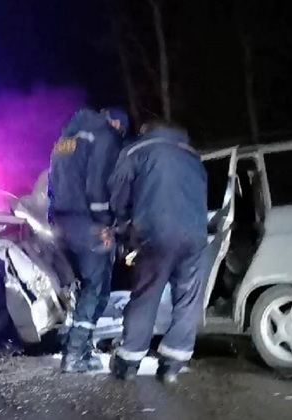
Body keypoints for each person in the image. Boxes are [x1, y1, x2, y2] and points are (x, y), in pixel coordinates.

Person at [108, 121, 208, 384]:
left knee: (146, 295)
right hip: (196, 234)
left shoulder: (136, 150)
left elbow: (118, 193)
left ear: (145, 130)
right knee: (188, 299)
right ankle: (173, 364)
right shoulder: (192, 155)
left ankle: (129, 361)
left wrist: (123, 225)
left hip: (156, 233)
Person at [48, 107, 129, 373]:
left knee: (81, 288)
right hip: (88, 225)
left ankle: (77, 347)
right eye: (121, 131)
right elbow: (98, 185)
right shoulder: (104, 136)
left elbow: (52, 181)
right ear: (115, 123)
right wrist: (104, 222)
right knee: (97, 288)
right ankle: (75, 355)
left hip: (62, 223)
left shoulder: (64, 139)